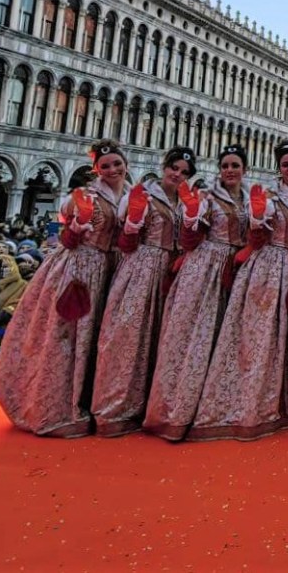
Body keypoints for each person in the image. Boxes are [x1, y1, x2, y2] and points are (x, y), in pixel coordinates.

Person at [0, 139, 129, 437]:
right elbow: (67, 239)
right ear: (96, 169)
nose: (112, 170)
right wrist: (74, 231)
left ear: (125, 164)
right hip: (80, 270)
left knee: (102, 337)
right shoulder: (83, 196)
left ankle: (97, 400)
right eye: (105, 166)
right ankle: (60, 404)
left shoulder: (132, 197)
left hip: (112, 271)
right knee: (69, 336)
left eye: (117, 163)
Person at [189, 140, 288, 441]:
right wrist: (257, 224)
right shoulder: (267, 196)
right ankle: (250, 405)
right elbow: (255, 237)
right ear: (279, 169)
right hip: (269, 270)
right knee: (259, 337)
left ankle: (287, 404)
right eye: (285, 164)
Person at [144, 144, 250, 441]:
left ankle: (220, 404)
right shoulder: (206, 197)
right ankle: (180, 410)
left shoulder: (253, 199)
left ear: (245, 170)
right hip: (206, 271)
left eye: (235, 165)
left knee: (227, 340)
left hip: (238, 271)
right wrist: (191, 217)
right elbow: (191, 238)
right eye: (225, 165)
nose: (230, 170)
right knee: (197, 337)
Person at [92, 147, 193, 436]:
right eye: (174, 167)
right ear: (164, 166)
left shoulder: (185, 201)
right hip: (142, 270)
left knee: (162, 339)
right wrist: (133, 223)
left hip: (173, 274)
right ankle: (116, 409)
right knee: (129, 336)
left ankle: (151, 404)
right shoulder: (140, 195)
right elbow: (125, 243)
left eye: (184, 172)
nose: (177, 174)